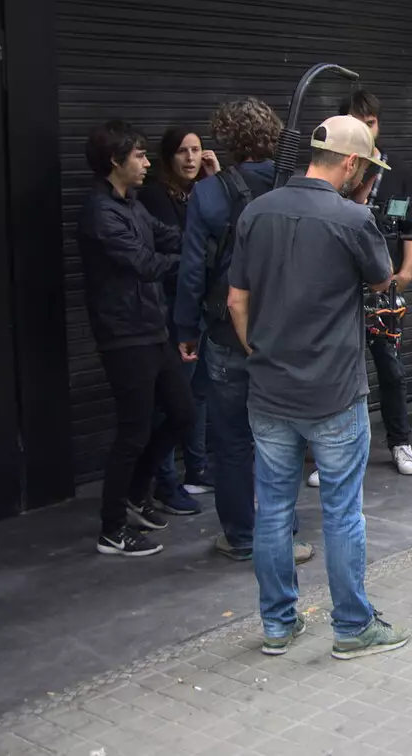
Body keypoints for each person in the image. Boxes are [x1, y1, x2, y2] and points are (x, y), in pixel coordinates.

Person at [228, 115, 410, 660]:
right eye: (367, 168)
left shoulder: (255, 212)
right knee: (341, 511)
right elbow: (384, 282)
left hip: (269, 389)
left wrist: (255, 351)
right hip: (334, 390)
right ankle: (353, 627)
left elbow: (237, 301)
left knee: (275, 511)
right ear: (352, 163)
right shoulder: (352, 218)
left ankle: (278, 625)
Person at [174, 98, 312, 565]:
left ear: (226, 140)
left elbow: (192, 271)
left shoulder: (209, 194)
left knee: (231, 440)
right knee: (283, 437)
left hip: (225, 337)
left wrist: (184, 328)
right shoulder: (298, 187)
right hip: (286, 336)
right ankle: (285, 534)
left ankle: (240, 535)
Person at [78, 120, 195, 557]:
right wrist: (191, 263)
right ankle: (112, 530)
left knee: (182, 414)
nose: (148, 163)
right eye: (140, 155)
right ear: (116, 160)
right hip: (123, 334)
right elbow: (144, 262)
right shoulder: (101, 213)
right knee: (133, 430)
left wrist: (198, 244)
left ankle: (135, 493)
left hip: (152, 328)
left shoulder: (131, 205)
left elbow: (167, 237)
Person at [328, 90, 412, 476]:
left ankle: (400, 442)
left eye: (370, 122)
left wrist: (404, 273)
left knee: (390, 368)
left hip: (382, 288)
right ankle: (333, 453)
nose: (365, 129)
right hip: (339, 289)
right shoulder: (333, 168)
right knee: (338, 370)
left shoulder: (395, 170)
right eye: (357, 122)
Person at [138, 127, 219, 513]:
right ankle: (165, 481)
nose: (190, 159)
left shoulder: (202, 191)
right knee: (174, 399)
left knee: (199, 391)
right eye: (182, 152)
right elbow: (187, 248)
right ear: (168, 157)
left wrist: (214, 180)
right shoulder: (156, 196)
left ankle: (197, 467)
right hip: (172, 309)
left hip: (201, 307)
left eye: (196, 150)